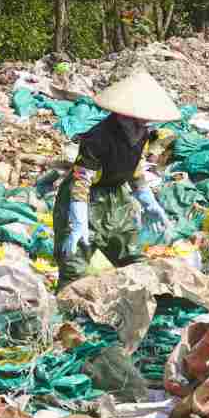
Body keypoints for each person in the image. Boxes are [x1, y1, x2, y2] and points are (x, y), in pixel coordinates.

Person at [55, 69, 181, 290]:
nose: (143, 125)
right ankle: (70, 312)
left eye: (145, 121)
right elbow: (81, 181)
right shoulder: (98, 138)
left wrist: (149, 203)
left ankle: (139, 299)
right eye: (138, 121)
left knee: (130, 255)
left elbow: (135, 170)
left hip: (117, 196)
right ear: (123, 116)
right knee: (76, 259)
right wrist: (77, 222)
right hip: (84, 199)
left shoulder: (141, 133)